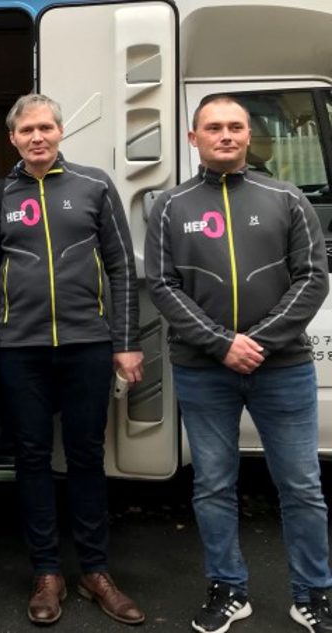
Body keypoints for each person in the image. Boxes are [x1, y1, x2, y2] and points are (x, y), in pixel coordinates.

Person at [145, 94, 332, 633]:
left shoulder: (286, 197)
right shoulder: (170, 206)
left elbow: (312, 277)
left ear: (250, 136)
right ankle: (228, 590)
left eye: (235, 126)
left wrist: (258, 343)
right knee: (213, 485)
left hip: (283, 367)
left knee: (302, 486)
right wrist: (221, 344)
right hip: (204, 370)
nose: (225, 135)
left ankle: (313, 594)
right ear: (193, 138)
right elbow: (162, 284)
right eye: (213, 127)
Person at [0, 93, 145, 627]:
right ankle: (47, 572)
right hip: (19, 351)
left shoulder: (94, 185)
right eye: (27, 130)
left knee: (87, 456)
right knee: (31, 459)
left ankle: (95, 571)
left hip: (87, 345)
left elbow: (121, 266)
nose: (37, 137)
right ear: (13, 139)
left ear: (61, 131)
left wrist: (125, 340)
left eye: (45, 127)